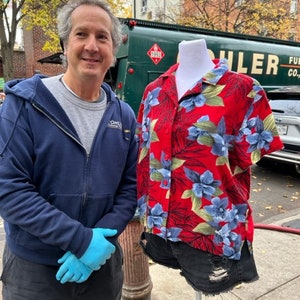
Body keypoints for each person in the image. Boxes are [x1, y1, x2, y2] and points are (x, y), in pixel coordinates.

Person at [0, 0, 138, 299]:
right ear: (65, 43)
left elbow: (130, 190)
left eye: (102, 37)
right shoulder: (24, 104)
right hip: (34, 270)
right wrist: (80, 241)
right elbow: (9, 189)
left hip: (102, 265)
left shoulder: (124, 116)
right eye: (81, 34)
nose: (92, 45)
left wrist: (100, 241)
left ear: (113, 50)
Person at [137, 39, 283, 295]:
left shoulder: (244, 90)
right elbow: (146, 156)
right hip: (159, 226)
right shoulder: (153, 92)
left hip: (212, 233)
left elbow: (245, 156)